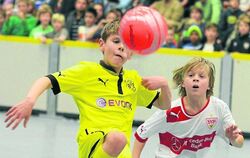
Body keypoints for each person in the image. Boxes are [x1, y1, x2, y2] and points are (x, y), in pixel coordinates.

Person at [4, 19, 172, 158]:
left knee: (119, 141)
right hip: (94, 143)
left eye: (126, 45)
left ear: (131, 53)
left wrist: (164, 84)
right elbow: (47, 80)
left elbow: (164, 105)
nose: (121, 47)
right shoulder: (86, 72)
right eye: (115, 41)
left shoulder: (134, 80)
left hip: (122, 152)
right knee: (117, 138)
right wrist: (30, 100)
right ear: (101, 44)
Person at [133, 57, 244, 158]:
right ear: (183, 83)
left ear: (210, 84)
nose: (196, 79)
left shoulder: (219, 108)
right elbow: (141, 133)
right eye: (191, 75)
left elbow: (239, 142)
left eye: (201, 76)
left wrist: (233, 138)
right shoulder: (170, 111)